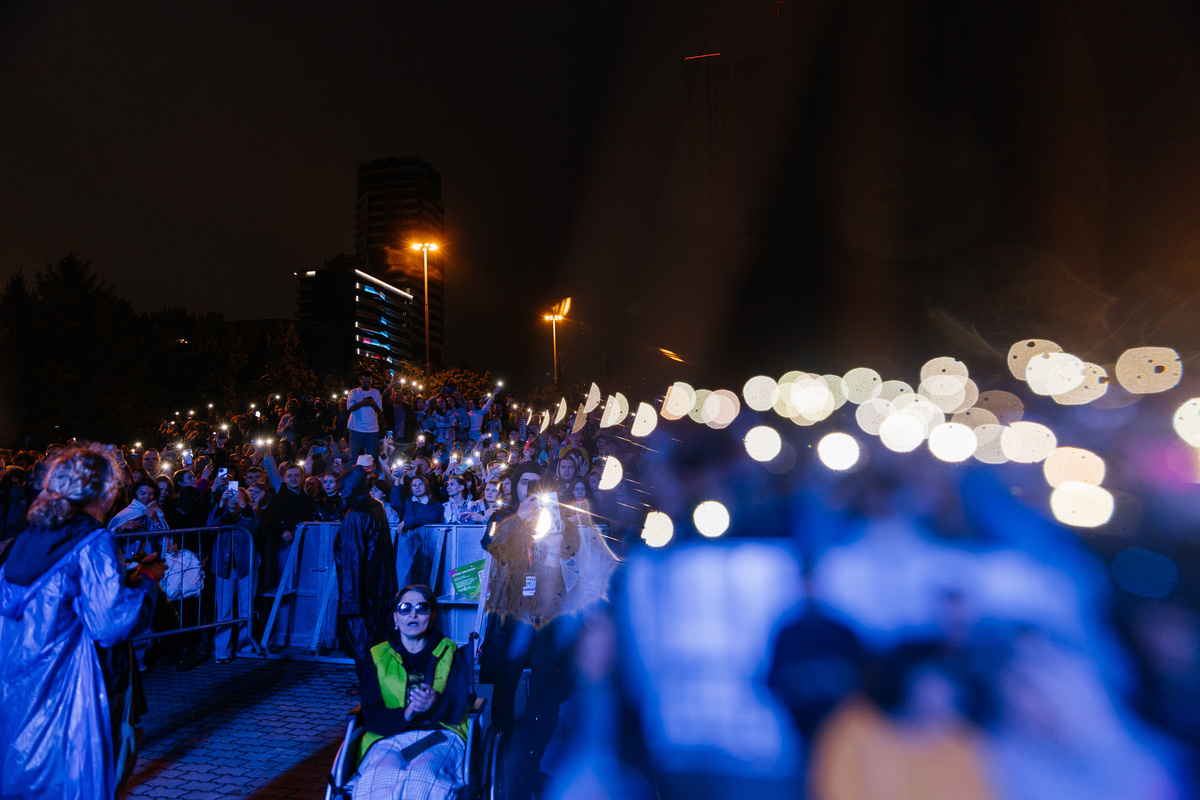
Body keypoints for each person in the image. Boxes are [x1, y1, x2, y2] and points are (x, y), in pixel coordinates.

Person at [0, 446, 164, 799]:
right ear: (99, 491)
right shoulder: (92, 540)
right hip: (79, 686)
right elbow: (110, 623)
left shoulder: (27, 539)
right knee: (84, 775)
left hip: (25, 686)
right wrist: (148, 581)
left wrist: (124, 574)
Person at [480, 465, 617, 800]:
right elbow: (492, 545)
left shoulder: (557, 514)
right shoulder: (502, 516)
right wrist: (519, 520)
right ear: (514, 486)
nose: (528, 489)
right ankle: (505, 752)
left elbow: (572, 549)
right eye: (523, 483)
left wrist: (556, 538)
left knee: (545, 691)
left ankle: (532, 757)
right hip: (511, 611)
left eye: (534, 484)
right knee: (505, 685)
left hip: (548, 611)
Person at [353, 585, 472, 800]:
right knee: (380, 778)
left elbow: (460, 706)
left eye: (421, 608)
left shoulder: (451, 652)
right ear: (395, 617)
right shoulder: (378, 656)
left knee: (421, 778)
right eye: (405, 608)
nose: (413, 614)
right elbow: (372, 716)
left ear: (432, 616)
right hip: (388, 737)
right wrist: (407, 714)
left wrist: (435, 702)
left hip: (441, 734)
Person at [335, 467, 398, 671]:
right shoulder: (376, 506)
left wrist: (350, 601)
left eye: (343, 487)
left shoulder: (355, 514)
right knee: (375, 637)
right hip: (377, 585)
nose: (339, 492)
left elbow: (352, 558)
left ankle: (366, 683)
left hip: (360, 590)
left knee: (361, 639)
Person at [208, 485, 258, 663]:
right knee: (224, 610)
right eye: (231, 496)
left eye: (237, 496)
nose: (234, 499)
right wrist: (221, 502)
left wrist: (243, 504)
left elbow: (253, 526)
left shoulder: (248, 513)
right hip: (223, 567)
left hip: (245, 566)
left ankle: (245, 645)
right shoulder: (220, 515)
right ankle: (223, 649)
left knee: (246, 608)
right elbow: (210, 524)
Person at [348, 373, 384, 460]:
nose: (367, 384)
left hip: (372, 429)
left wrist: (373, 404)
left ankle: (368, 469)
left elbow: (379, 411)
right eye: (364, 382)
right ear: (360, 380)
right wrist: (361, 403)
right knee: (353, 457)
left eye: (369, 382)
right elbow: (349, 409)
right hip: (356, 428)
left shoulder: (376, 392)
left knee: (370, 457)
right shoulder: (354, 392)